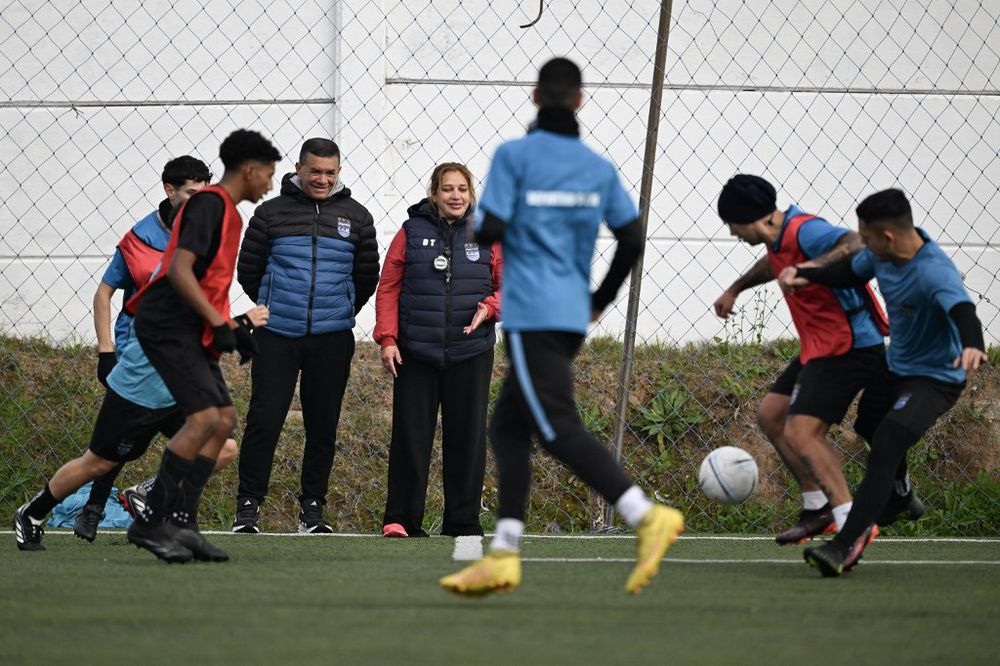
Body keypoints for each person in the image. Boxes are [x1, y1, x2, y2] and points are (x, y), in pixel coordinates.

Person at [439, 57, 683, 597]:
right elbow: (633, 238)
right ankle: (504, 554)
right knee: (507, 426)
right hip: (571, 312)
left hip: (531, 312)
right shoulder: (595, 166)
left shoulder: (514, 156)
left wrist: (493, 222)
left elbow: (490, 230)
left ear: (534, 96)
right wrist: (601, 297)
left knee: (554, 427)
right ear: (579, 100)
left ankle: (645, 515)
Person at [781, 189, 987, 576]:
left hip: (935, 378)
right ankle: (900, 495)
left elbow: (963, 310)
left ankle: (846, 543)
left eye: (867, 237)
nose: (863, 244)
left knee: (889, 440)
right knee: (868, 425)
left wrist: (973, 345)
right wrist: (806, 273)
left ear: (887, 237)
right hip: (895, 366)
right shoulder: (882, 257)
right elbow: (845, 271)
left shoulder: (932, 270)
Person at [713, 175, 920, 545]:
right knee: (772, 415)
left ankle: (849, 523)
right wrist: (735, 288)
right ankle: (818, 508)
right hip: (820, 348)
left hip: (850, 345)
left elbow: (854, 242)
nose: (731, 232)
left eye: (732, 224)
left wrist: (810, 269)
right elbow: (774, 264)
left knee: (803, 431)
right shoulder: (779, 241)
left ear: (750, 218)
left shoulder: (807, 231)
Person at [124, 128, 281, 563]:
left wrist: (230, 328)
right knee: (203, 419)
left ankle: (183, 523)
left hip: (192, 328)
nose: (270, 183)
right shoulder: (208, 205)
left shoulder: (229, 213)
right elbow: (178, 270)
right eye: (268, 174)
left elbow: (208, 284)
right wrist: (219, 323)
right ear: (249, 170)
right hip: (166, 325)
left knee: (223, 420)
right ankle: (149, 523)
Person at [11, 306, 266, 552]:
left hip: (174, 392)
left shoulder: (208, 278)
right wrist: (239, 326)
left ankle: (149, 495)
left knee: (222, 448)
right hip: (137, 393)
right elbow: (188, 339)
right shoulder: (173, 280)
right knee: (97, 464)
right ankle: (32, 513)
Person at [232, 138, 379, 534]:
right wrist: (275, 303)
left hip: (332, 338)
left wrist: (341, 308)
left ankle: (312, 509)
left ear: (339, 172)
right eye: (315, 171)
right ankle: (248, 506)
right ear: (298, 168)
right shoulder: (269, 214)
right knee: (265, 419)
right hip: (276, 334)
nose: (322, 179)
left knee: (323, 424)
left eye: (330, 172)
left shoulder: (358, 217)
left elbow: (366, 276)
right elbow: (249, 270)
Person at [72, 156, 212, 542]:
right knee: (117, 445)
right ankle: (94, 507)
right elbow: (104, 293)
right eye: (192, 193)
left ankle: (155, 501)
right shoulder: (140, 238)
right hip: (137, 360)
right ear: (170, 190)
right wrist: (106, 349)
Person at [374, 162, 502, 538]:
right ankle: (401, 519)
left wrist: (490, 308)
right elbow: (389, 287)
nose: (455, 196)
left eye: (462, 189)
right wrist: (388, 339)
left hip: (471, 351)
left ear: (471, 193)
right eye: (447, 189)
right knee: (410, 437)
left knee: (467, 438)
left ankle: (461, 522)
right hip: (416, 353)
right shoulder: (411, 232)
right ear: (434, 193)